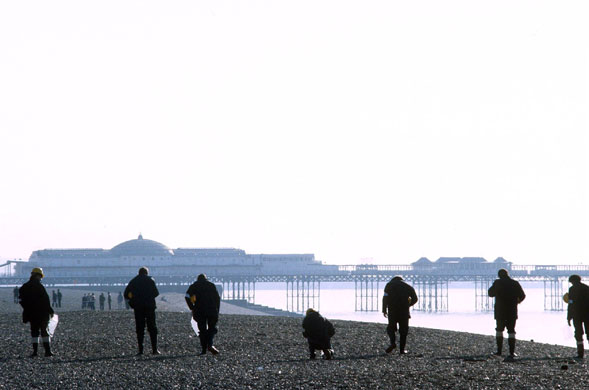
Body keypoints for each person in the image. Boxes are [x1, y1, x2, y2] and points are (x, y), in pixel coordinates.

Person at [488, 268, 526, 360]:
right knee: (511, 331)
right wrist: (517, 302)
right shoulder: (515, 283)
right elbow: (523, 295)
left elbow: (490, 293)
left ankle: (499, 351)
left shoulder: (497, 283)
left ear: (499, 275)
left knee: (499, 330)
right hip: (512, 311)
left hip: (500, 311)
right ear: (507, 274)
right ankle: (512, 352)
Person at [18, 267, 54, 357]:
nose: (40, 278)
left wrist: (27, 310)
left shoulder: (24, 287)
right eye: (40, 276)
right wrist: (50, 310)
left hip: (31, 313)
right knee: (44, 331)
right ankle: (47, 351)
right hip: (42, 313)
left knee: (34, 332)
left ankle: (35, 352)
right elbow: (45, 300)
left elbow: (22, 300)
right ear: (38, 276)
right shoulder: (39, 286)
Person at [124, 267, 160, 355]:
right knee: (152, 327)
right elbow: (156, 293)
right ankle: (154, 350)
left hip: (138, 307)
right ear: (146, 273)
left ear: (139, 273)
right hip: (149, 306)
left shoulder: (133, 281)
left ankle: (141, 350)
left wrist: (133, 302)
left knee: (140, 328)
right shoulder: (150, 280)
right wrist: (149, 297)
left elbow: (126, 294)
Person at [185, 274, 221, 355]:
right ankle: (210, 344)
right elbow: (217, 298)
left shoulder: (194, 286)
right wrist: (217, 310)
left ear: (198, 279)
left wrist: (192, 307)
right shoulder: (211, 285)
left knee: (202, 330)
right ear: (206, 279)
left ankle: (203, 349)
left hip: (199, 310)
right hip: (211, 310)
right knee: (212, 328)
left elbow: (187, 296)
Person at [382, 276, 418, 355]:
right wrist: (408, 305)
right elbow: (415, 298)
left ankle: (393, 343)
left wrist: (384, 310)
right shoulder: (407, 286)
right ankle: (402, 350)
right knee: (403, 331)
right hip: (404, 312)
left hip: (392, 311)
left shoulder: (389, 285)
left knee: (391, 328)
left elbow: (385, 298)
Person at [565, 275, 589, 359]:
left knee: (578, 334)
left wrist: (569, 317)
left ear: (573, 281)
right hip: (587, 314)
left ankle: (580, 353)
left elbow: (571, 304)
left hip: (577, 315)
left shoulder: (572, 289)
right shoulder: (586, 288)